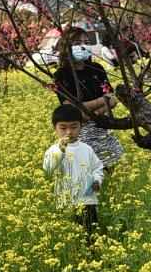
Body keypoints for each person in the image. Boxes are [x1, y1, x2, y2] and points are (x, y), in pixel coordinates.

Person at [50, 26, 125, 169]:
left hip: (101, 126)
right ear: (67, 46)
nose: (83, 46)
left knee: (112, 164)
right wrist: (102, 101)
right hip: (78, 131)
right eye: (78, 43)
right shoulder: (61, 75)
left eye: (85, 42)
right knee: (87, 168)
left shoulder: (97, 69)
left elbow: (113, 99)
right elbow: (70, 108)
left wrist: (90, 114)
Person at [43, 103, 106, 230]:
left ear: (81, 127)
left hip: (87, 200)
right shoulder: (53, 150)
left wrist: (97, 181)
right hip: (65, 201)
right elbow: (49, 170)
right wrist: (60, 151)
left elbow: (97, 168)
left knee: (90, 234)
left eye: (74, 127)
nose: (69, 132)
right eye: (63, 128)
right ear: (54, 128)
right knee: (69, 234)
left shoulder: (87, 149)